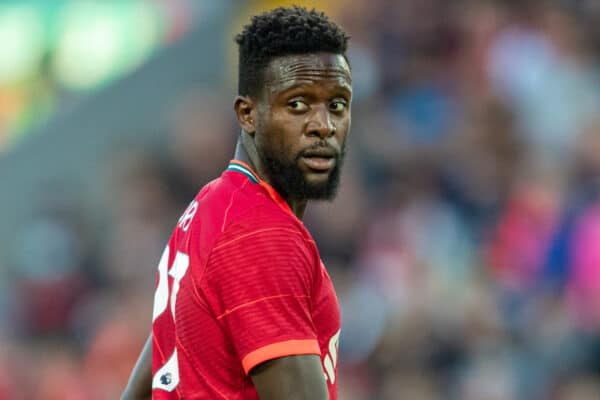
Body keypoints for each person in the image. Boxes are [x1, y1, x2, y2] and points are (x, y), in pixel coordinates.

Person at [121, 6, 352, 399]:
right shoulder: (260, 234)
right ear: (248, 114)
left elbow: (155, 369)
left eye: (337, 104)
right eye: (297, 104)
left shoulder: (212, 204)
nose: (323, 125)